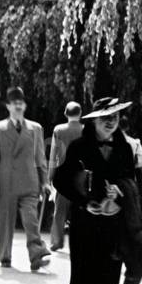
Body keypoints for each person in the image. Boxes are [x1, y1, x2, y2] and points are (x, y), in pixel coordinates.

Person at [53, 97, 139, 284]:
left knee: (110, 278)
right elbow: (60, 179)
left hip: (113, 225)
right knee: (82, 274)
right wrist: (83, 202)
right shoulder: (79, 146)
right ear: (94, 120)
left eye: (115, 116)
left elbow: (131, 184)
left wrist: (120, 196)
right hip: (85, 224)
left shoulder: (125, 148)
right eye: (105, 117)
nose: (111, 121)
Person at [0, 86, 50, 271]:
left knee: (31, 219)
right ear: (8, 107)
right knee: (5, 222)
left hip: (30, 181)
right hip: (5, 182)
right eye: (15, 104)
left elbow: (40, 158)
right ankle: (5, 257)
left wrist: (45, 181)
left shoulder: (35, 128)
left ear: (25, 106)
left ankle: (37, 255)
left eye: (21, 104)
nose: (18, 107)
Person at [47, 101, 83, 251]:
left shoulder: (59, 130)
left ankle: (57, 241)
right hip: (80, 173)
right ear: (80, 114)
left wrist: (50, 175)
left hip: (62, 172)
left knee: (60, 209)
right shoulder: (85, 129)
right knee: (79, 208)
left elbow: (53, 154)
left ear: (66, 114)